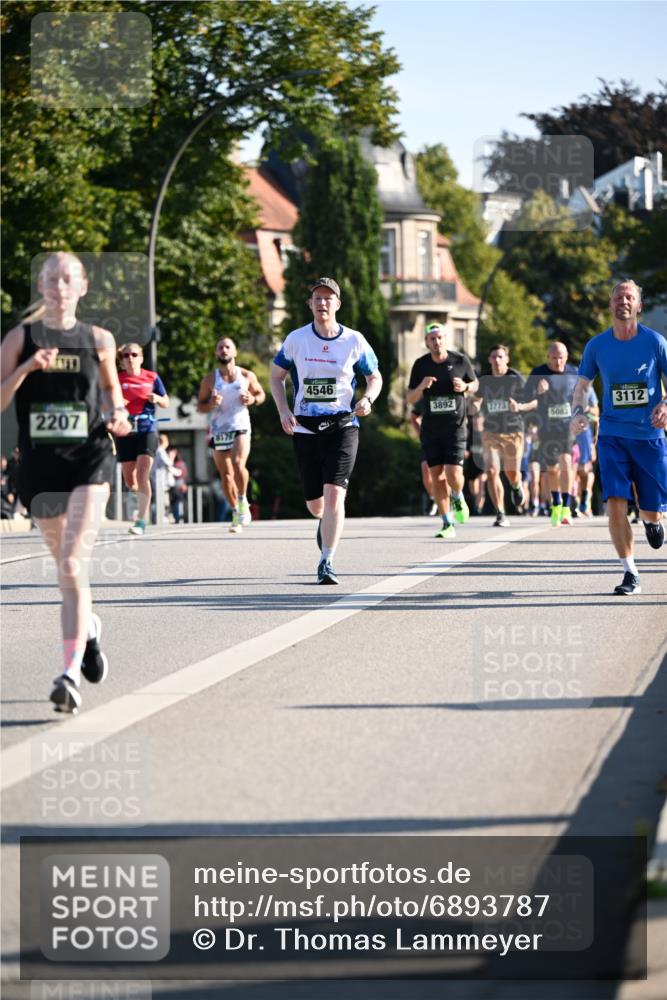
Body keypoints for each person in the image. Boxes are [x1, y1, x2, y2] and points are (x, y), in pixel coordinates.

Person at [0, 251, 131, 714]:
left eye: (68, 278)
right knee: (68, 571)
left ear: (81, 288)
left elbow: (114, 393)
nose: (59, 286)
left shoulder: (98, 338)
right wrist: (25, 369)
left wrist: (118, 417)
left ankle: (68, 674)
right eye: (51, 278)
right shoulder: (21, 337)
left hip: (90, 458)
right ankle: (90, 629)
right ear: (40, 287)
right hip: (38, 467)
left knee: (74, 565)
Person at [270, 276, 382, 584]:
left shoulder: (354, 340)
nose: (322, 303)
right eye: (317, 298)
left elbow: (375, 377)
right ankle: (324, 524)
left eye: (328, 298)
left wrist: (368, 399)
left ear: (337, 304)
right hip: (305, 429)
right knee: (315, 505)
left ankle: (326, 560)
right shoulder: (296, 339)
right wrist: (283, 410)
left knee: (335, 497)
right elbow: (276, 375)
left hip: (343, 426)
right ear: (309, 304)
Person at [571, 279, 667, 595]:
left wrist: (665, 404)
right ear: (611, 306)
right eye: (617, 297)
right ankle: (630, 572)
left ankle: (653, 521)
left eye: (629, 297)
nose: (622, 301)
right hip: (612, 434)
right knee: (615, 500)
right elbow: (582, 386)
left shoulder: (655, 342)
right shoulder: (597, 346)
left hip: (649, 436)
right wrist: (578, 413)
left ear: (639, 305)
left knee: (650, 509)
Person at [406, 322, 478, 538]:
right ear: (427, 342)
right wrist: (421, 387)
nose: (436, 342)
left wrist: (465, 387)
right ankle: (447, 523)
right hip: (431, 428)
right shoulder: (420, 365)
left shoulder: (460, 360)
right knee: (435, 475)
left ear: (445, 339)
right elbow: (410, 398)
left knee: (453, 472)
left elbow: (475, 384)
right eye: (432, 339)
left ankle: (457, 495)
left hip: (455, 426)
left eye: (440, 338)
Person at [197, 337, 265, 534]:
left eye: (228, 347)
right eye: (220, 347)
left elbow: (261, 395)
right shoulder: (210, 379)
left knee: (237, 463)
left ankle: (243, 499)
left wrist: (252, 398)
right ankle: (236, 512)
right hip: (219, 429)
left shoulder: (245, 375)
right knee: (225, 475)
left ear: (234, 352)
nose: (224, 350)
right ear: (216, 353)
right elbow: (200, 406)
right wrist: (211, 402)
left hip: (240, 425)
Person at [524, 342, 584, 526]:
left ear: (566, 357)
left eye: (561, 358)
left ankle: (566, 507)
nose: (558, 362)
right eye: (554, 358)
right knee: (552, 469)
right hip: (546, 427)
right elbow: (525, 397)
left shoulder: (574, 372)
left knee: (566, 462)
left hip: (566, 426)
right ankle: (556, 503)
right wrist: (537, 390)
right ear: (548, 357)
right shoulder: (538, 373)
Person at [116, 342, 169, 536]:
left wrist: (157, 398)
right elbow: (105, 400)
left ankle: (141, 520)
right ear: (121, 360)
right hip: (125, 431)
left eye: (134, 354)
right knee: (131, 480)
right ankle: (137, 493)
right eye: (125, 355)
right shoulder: (116, 379)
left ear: (141, 358)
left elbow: (166, 401)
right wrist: (117, 402)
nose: (130, 358)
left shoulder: (151, 377)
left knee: (142, 474)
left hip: (147, 429)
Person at [472, 344, 528, 527]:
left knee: (512, 472)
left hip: (513, 431)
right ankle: (500, 513)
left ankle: (516, 486)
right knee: (491, 470)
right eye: (494, 357)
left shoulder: (515, 379)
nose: (497, 360)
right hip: (491, 432)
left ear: (507, 359)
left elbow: (533, 401)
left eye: (500, 357)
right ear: (489, 360)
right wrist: (475, 406)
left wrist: (519, 407)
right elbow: (478, 399)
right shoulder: (485, 380)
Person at [410, 400, 439, 516]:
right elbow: (413, 417)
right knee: (426, 470)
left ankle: (449, 498)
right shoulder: (424, 397)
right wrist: (421, 434)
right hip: (429, 440)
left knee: (446, 472)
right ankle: (433, 498)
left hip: (449, 437)